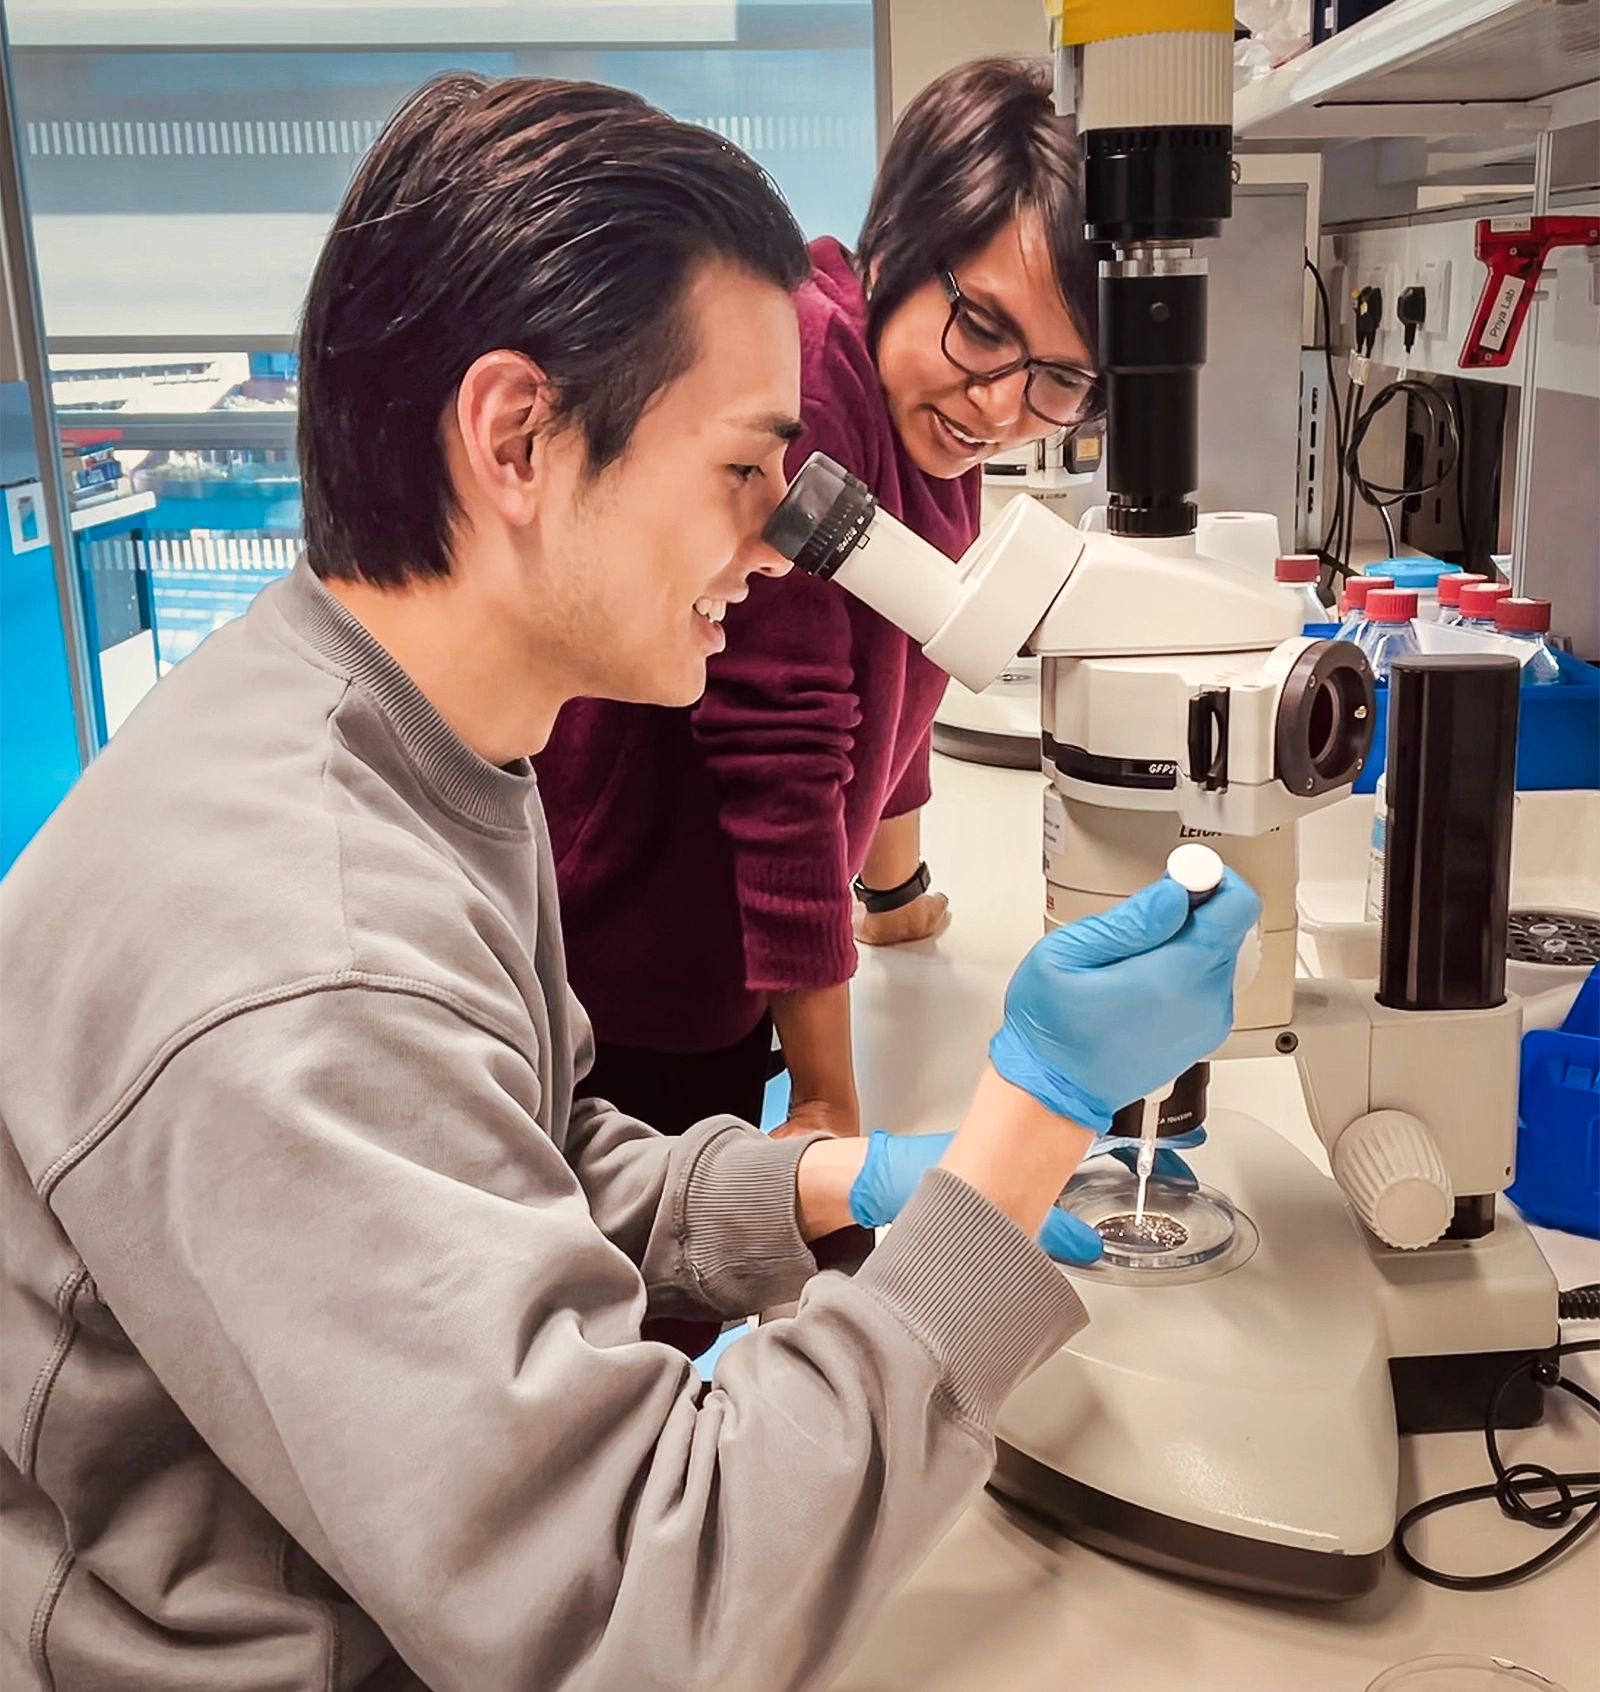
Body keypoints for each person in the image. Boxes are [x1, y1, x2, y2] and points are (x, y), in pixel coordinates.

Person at [0, 76, 1257, 1692]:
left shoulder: (428, 741)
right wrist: (1026, 1134)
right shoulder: (307, 950)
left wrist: (830, 1183)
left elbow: (512, 1151)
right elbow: (640, 1616)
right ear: (518, 439)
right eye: (750, 470)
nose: (781, 538)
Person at [537, 57, 1100, 1159]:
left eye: (1060, 381)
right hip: (645, 959)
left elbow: (904, 674)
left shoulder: (927, 405)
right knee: (651, 1292)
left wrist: (894, 892)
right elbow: (785, 744)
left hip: (744, 951)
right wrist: (831, 1108)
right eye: (982, 329)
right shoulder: (810, 379)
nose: (1001, 408)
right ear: (899, 240)